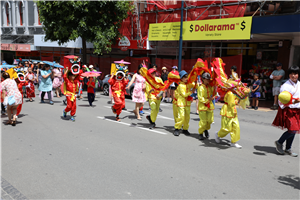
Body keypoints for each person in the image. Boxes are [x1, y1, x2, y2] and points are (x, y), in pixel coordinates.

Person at [273, 66, 300, 157]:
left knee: (293, 130)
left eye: (295, 74)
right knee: (293, 129)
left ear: (298, 75)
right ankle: (279, 142)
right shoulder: (285, 86)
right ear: (289, 75)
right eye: (291, 74)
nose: (293, 76)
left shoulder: (299, 84)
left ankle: (288, 148)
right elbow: (282, 100)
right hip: (289, 110)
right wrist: (296, 100)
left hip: (297, 110)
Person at [173, 70, 197, 136]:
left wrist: (195, 81)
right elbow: (184, 94)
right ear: (181, 78)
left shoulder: (189, 84)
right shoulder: (180, 86)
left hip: (187, 103)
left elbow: (196, 86)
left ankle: (185, 129)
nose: (186, 78)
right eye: (184, 77)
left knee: (187, 117)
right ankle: (177, 128)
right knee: (181, 116)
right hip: (181, 102)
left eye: (187, 77)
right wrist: (191, 91)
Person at [197, 72, 215, 140]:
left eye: (208, 79)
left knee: (210, 120)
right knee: (203, 121)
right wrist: (209, 99)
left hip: (209, 105)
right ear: (203, 79)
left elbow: (214, 93)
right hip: (203, 106)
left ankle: (205, 129)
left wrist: (215, 88)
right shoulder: (200, 88)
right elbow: (200, 98)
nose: (208, 80)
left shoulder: (210, 87)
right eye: (206, 79)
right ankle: (201, 133)